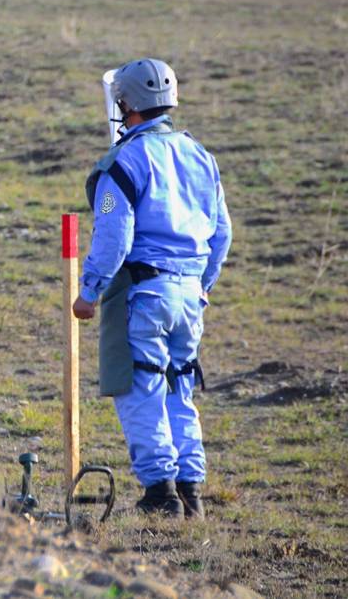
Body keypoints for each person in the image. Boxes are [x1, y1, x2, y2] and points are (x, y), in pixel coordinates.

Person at [73, 58, 232, 519]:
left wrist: (90, 291)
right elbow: (221, 233)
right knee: (179, 390)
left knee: (141, 389)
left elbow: (113, 235)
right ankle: (191, 492)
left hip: (144, 295)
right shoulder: (201, 156)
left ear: (126, 104)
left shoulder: (123, 163)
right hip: (189, 296)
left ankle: (161, 493)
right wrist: (202, 285)